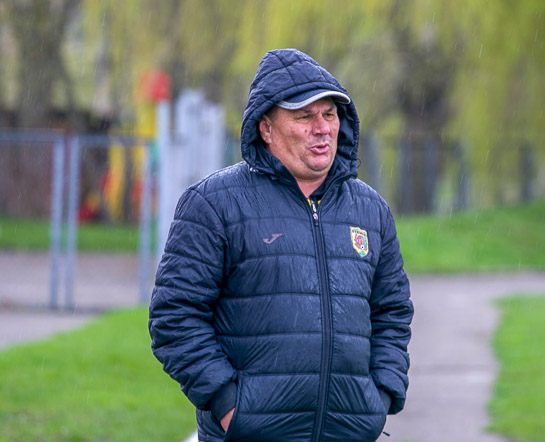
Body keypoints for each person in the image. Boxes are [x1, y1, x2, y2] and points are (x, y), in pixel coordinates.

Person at [149, 48, 413, 442]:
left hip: (349, 433)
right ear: (266, 128)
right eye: (304, 116)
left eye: (329, 114)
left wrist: (381, 395)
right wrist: (230, 407)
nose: (322, 128)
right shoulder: (214, 204)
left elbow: (392, 311)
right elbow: (174, 316)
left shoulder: (370, 210)